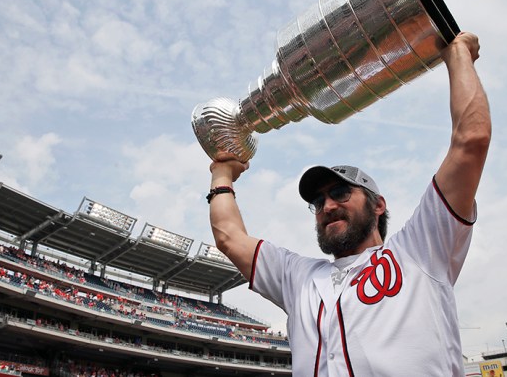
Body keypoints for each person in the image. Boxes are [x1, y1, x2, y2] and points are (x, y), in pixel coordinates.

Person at [207, 31, 490, 376]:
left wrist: (458, 55)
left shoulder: (419, 250)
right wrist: (221, 174)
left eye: (341, 193)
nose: (327, 206)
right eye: (318, 200)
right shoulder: (298, 277)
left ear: (378, 205)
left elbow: (471, 141)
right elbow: (229, 237)